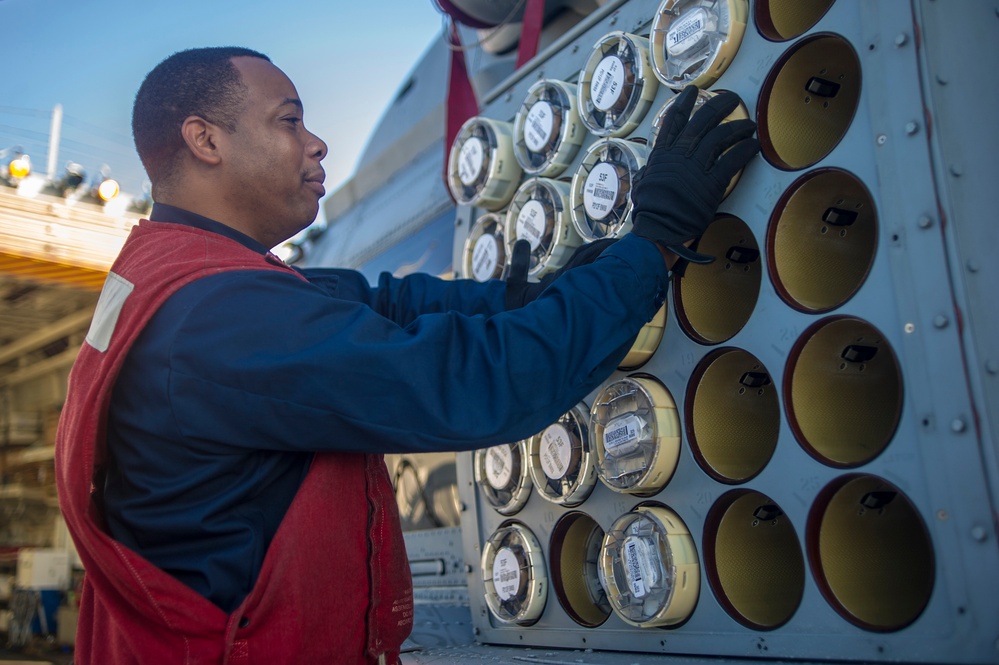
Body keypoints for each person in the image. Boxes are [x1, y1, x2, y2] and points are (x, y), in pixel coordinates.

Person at [54, 46, 758, 664]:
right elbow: (480, 384)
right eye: (289, 120)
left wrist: (532, 294)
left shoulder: (178, 278)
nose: (317, 142)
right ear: (205, 140)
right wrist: (654, 241)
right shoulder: (219, 320)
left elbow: (377, 303)